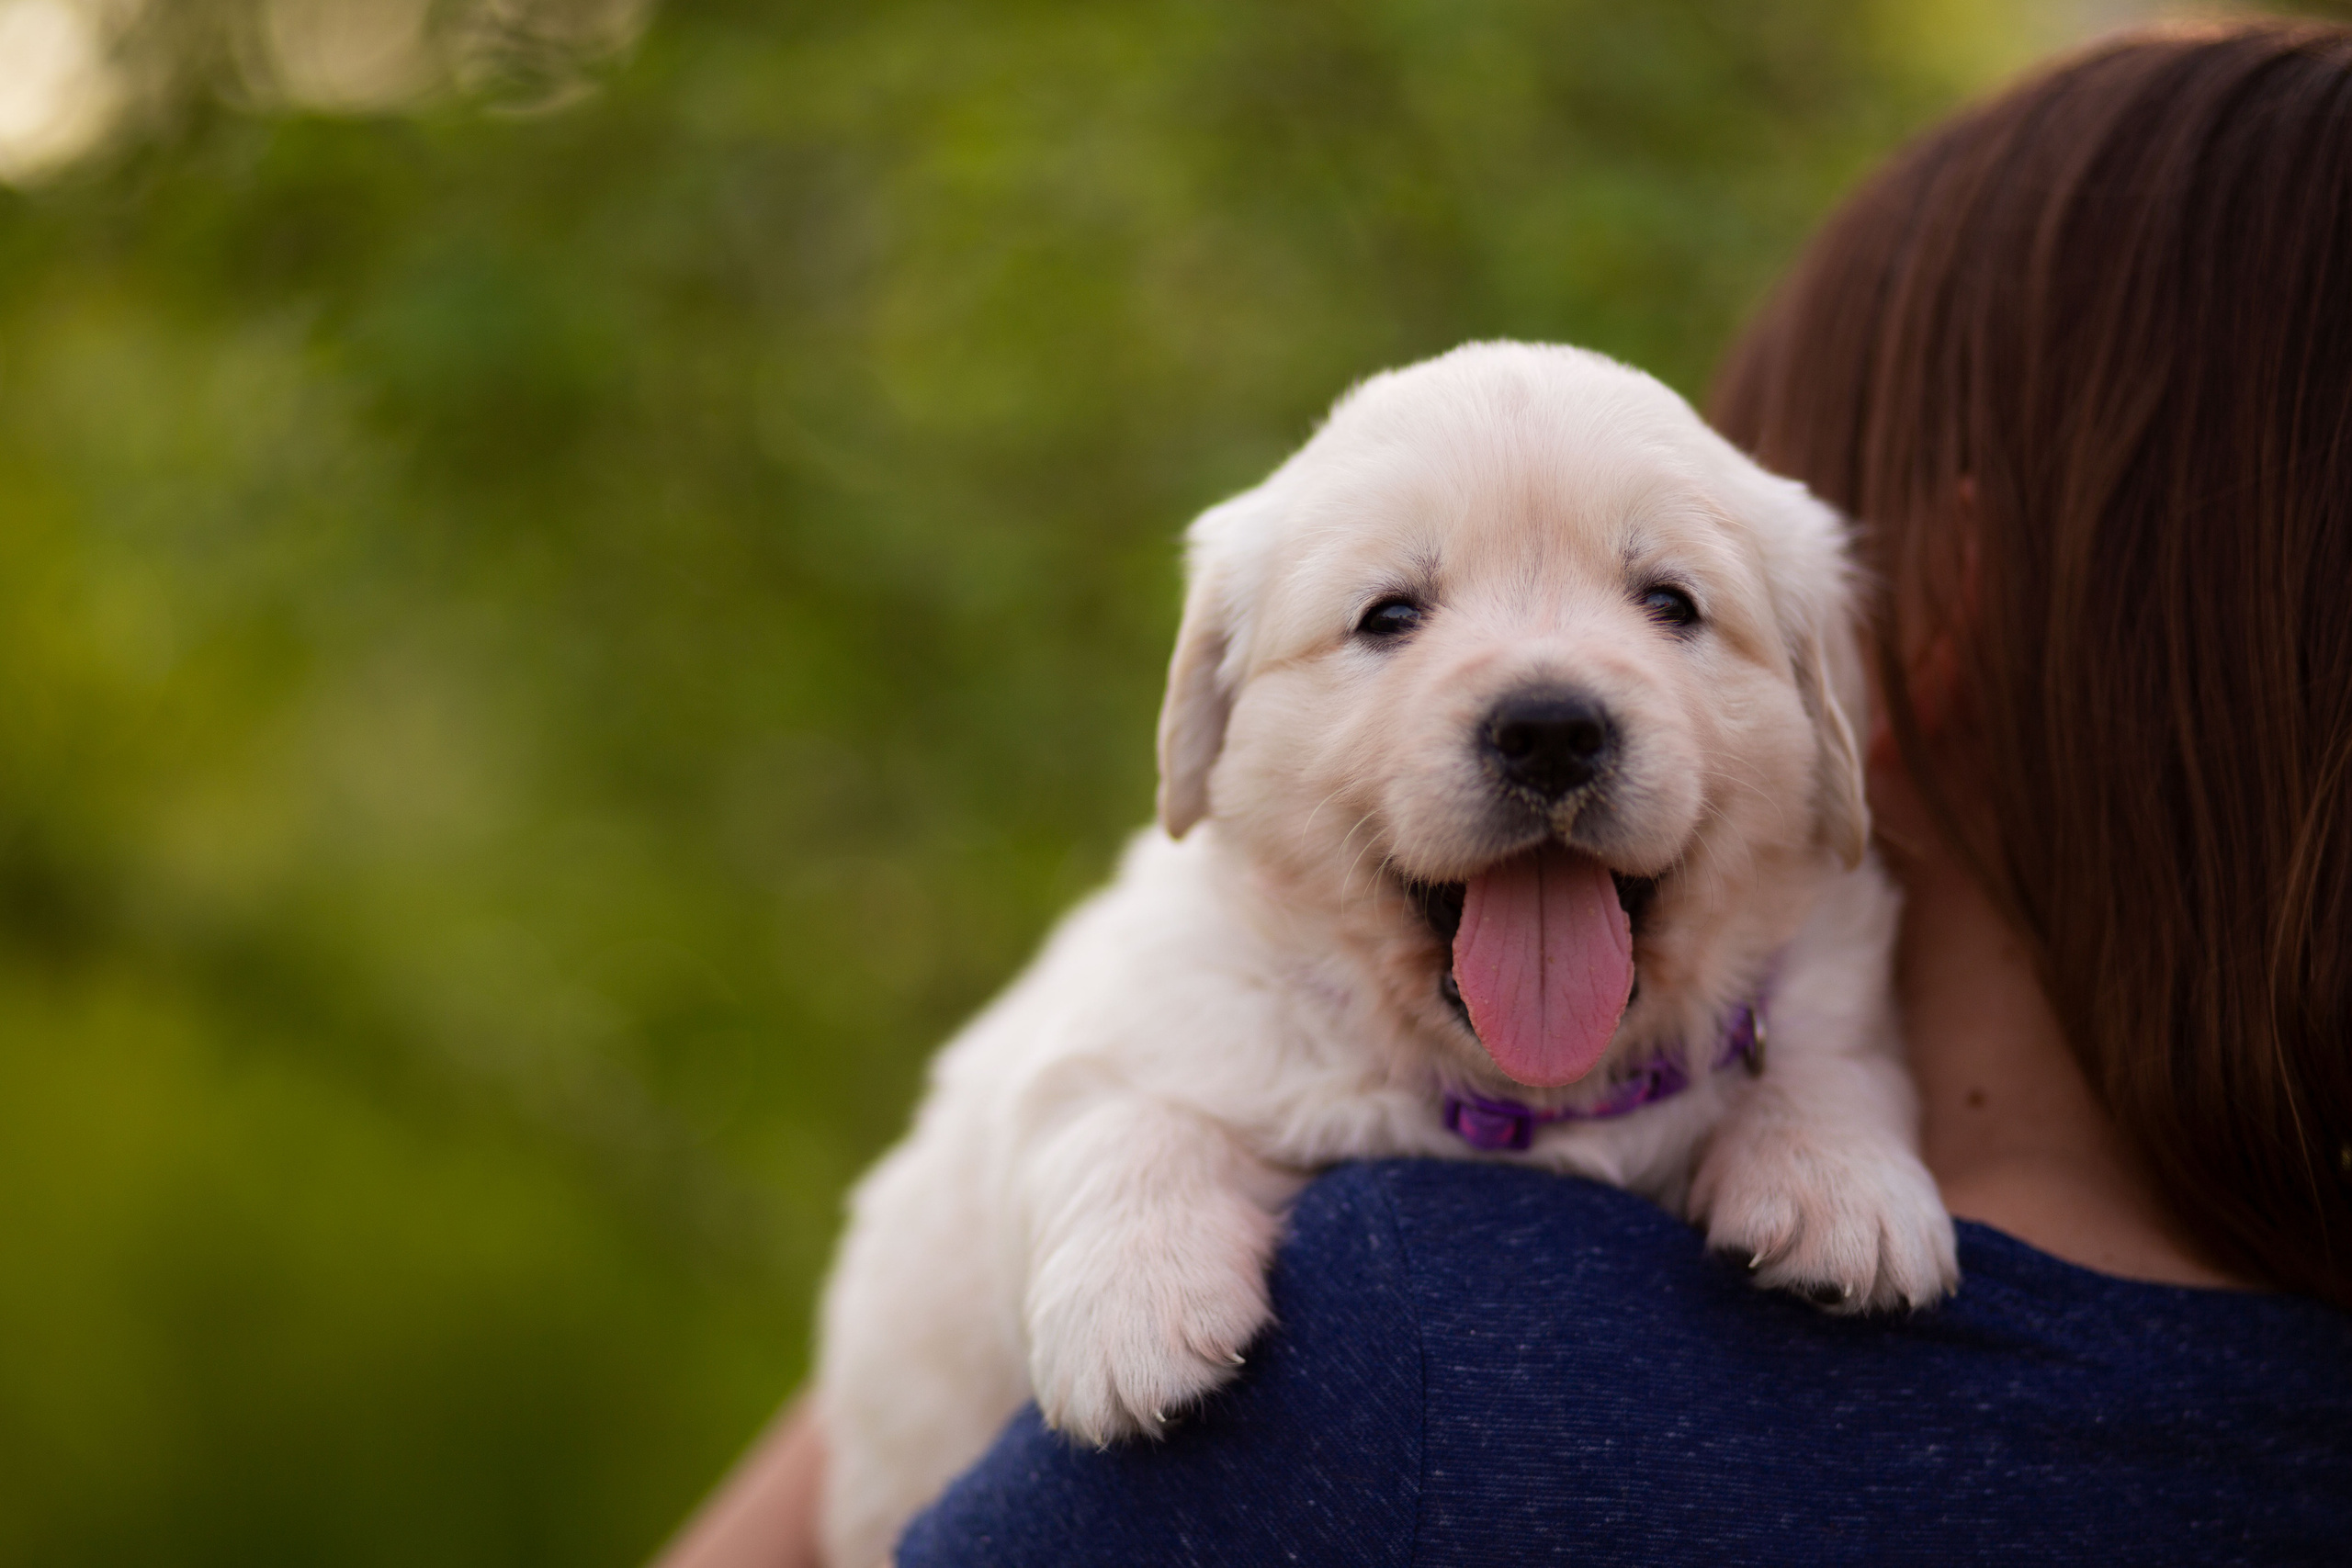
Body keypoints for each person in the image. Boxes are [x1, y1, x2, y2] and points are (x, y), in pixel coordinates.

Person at [652, 19, 2352, 1565]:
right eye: (1391, 613)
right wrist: (1129, 1171)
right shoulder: (1188, 983)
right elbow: (1066, 1109)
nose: (1550, 701)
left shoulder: (1403, 1371)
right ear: (1207, 716)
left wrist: (1810, 1109)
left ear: (1856, 693)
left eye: (1669, 601)